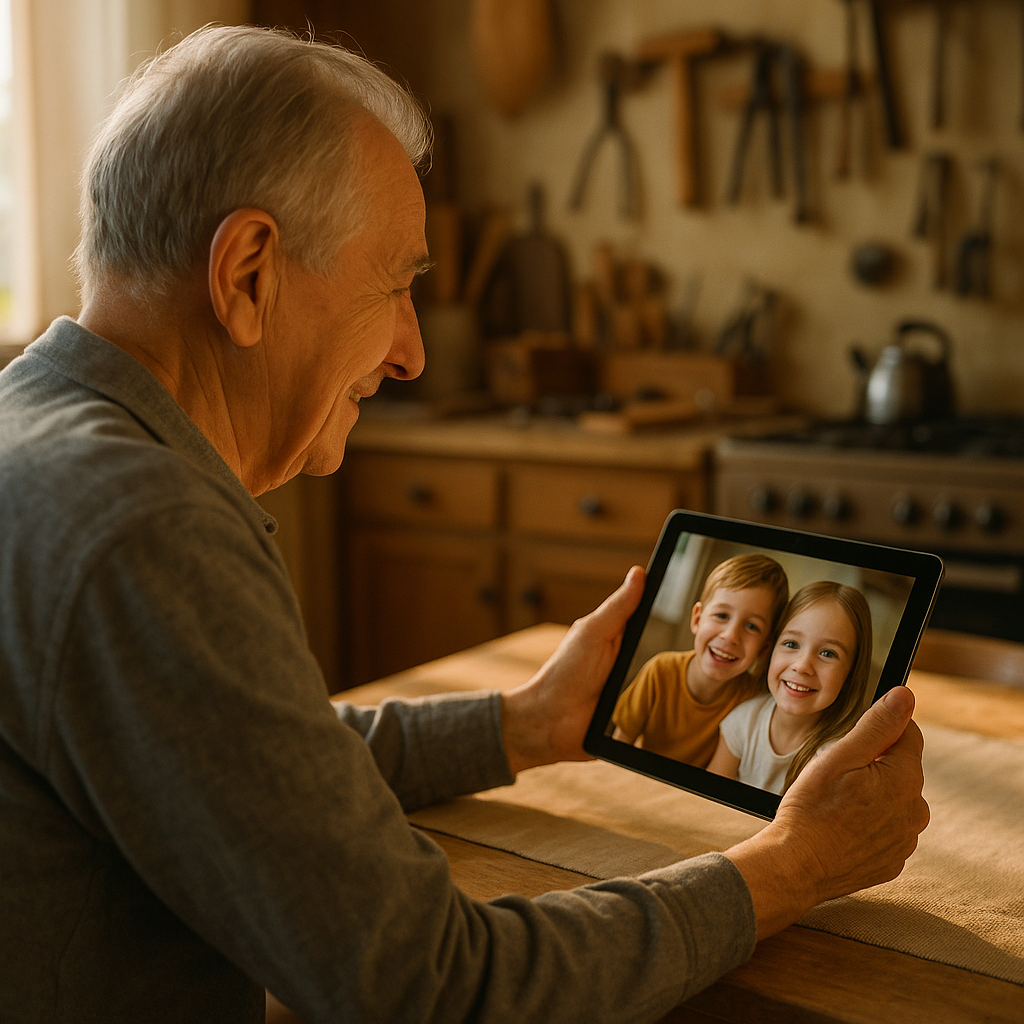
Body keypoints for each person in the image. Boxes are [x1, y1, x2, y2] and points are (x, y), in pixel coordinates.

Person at [0, 25, 929, 1024]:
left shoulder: (32, 425)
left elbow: (252, 762)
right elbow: (434, 985)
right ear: (249, 272)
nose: (411, 353)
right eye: (396, 282)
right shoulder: (147, 526)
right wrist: (786, 868)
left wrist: (520, 727)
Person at [611, 554, 789, 766]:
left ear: (764, 649)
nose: (730, 636)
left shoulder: (753, 701)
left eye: (752, 626)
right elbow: (619, 746)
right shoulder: (660, 671)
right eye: (722, 616)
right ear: (697, 619)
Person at [707, 581, 875, 795]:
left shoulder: (840, 753)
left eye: (828, 653)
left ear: (852, 673)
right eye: (791, 644)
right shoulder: (743, 721)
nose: (802, 666)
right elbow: (707, 799)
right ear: (770, 649)